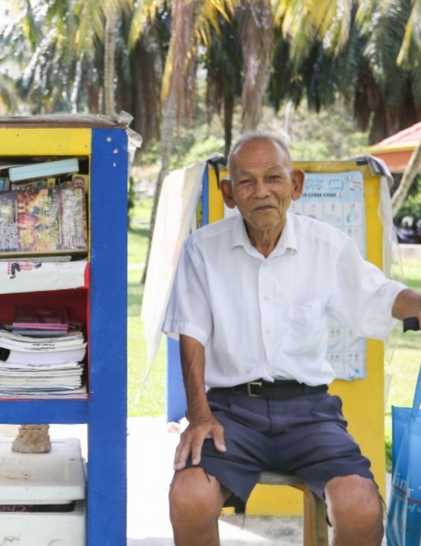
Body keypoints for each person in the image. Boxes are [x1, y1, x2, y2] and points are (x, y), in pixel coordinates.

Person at [162, 132, 421, 546]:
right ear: (229, 194)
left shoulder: (327, 246)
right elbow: (191, 334)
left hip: (310, 412)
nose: (261, 191)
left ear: (295, 184)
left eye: (274, 178)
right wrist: (200, 414)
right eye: (246, 181)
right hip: (232, 413)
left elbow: (378, 294)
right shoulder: (202, 250)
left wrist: (419, 303)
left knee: (362, 504)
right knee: (188, 498)